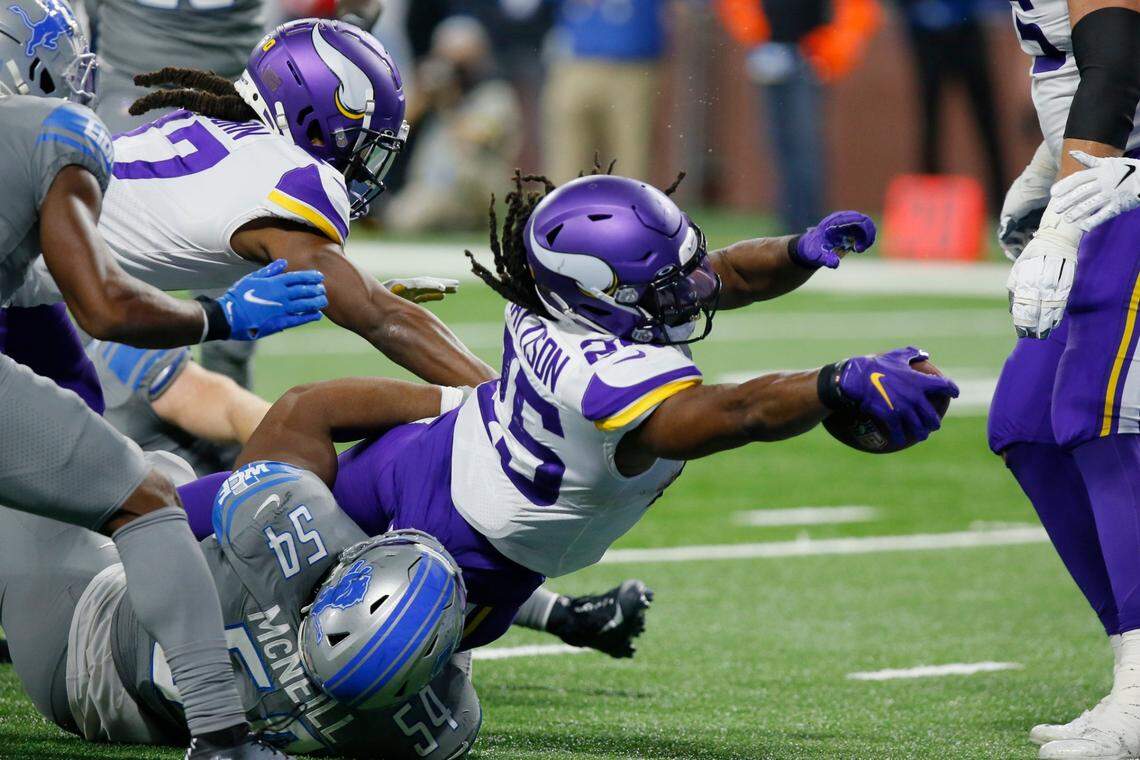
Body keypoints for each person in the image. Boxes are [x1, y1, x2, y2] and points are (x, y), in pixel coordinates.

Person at [177, 171, 957, 651]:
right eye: (662, 286)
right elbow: (742, 411)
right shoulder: (607, 373)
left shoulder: (553, 296)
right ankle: (149, 535)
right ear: (604, 298)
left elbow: (723, 275)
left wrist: (796, 252)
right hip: (475, 549)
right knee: (305, 639)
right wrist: (834, 383)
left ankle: (153, 518)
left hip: (452, 455)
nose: (688, 289)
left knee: (297, 478)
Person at [0, 1, 328, 757]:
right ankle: (222, 735)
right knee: (147, 498)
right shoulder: (56, 130)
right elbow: (105, 305)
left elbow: (29, 291)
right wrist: (218, 316)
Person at [74, 335, 656, 656]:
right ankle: (567, 616)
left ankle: (565, 615)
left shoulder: (101, 338)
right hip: (159, 533)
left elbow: (242, 409)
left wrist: (267, 496)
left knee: (402, 579)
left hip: (221, 499)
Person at [12, 18, 496, 389]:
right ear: (314, 120)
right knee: (125, 481)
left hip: (31, 257)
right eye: (363, 141)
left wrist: (360, 288)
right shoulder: (297, 177)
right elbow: (381, 319)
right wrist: (503, 398)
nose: (365, 160)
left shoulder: (224, 129)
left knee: (84, 432)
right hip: (18, 259)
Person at [0, 458, 479, 757]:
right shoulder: (433, 728)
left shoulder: (285, 531)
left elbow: (161, 519)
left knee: (26, 467)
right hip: (123, 713)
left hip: (83, 630)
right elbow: (442, 644)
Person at [989, 0, 1140, 757]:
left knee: (1101, 412)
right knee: (1028, 424)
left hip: (1127, 191)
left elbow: (1117, 65)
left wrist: (1061, 225)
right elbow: (1080, 73)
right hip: (1104, 183)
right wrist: (1047, 168)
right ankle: (1133, 666)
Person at [715, 0, 880, 233]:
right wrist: (757, 37)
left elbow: (857, 10)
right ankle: (790, 223)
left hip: (809, 53)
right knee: (780, 144)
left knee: (804, 146)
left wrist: (831, 51)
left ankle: (809, 224)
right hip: (772, 52)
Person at [382, 16, 523, 233]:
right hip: (432, 185)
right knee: (401, 218)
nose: (452, 69)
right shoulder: (432, 93)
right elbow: (392, 130)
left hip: (477, 188)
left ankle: (470, 220)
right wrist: (421, 97)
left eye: (460, 61)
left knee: (413, 216)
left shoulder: (495, 94)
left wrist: (449, 101)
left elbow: (475, 137)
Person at [542, 0, 668, 183]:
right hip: (573, 65)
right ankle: (563, 209)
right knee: (566, 157)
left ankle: (628, 209)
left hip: (631, 67)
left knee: (629, 157)